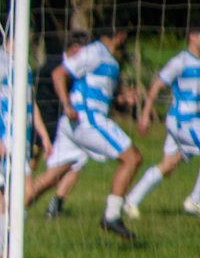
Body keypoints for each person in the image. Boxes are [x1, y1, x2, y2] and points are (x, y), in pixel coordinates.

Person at [51, 25, 142, 239]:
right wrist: (67, 105)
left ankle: (19, 207)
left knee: (52, 176)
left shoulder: (110, 60)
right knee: (132, 158)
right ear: (119, 35)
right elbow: (58, 74)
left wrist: (122, 98)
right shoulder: (92, 52)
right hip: (87, 119)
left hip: (95, 118)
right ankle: (111, 216)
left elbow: (102, 96)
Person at [0, 37, 53, 258]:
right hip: (3, 136)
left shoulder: (23, 64)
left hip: (21, 138)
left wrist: (43, 134)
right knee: (23, 192)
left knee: (5, 194)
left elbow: (30, 103)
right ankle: (5, 251)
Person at [125, 28, 200, 219]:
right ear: (192, 37)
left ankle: (131, 201)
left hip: (191, 120)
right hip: (183, 120)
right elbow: (156, 86)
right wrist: (145, 115)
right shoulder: (180, 62)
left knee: (169, 164)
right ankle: (194, 201)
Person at [34, 31, 93, 218]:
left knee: (77, 161)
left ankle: (56, 204)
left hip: (63, 123)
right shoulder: (54, 65)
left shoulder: (79, 70)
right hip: (43, 119)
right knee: (31, 161)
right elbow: (34, 84)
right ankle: (21, 197)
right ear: (74, 49)